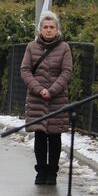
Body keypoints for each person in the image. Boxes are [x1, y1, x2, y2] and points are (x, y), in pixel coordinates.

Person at [20, 10, 73, 185]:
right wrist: (39, 89)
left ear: (57, 29)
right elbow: (25, 70)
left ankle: (52, 173)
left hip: (57, 99)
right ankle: (41, 171)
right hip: (37, 99)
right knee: (40, 136)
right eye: (45, 27)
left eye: (52, 27)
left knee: (55, 136)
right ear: (40, 29)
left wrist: (52, 90)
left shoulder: (64, 48)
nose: (48, 30)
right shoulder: (31, 47)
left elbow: (66, 72)